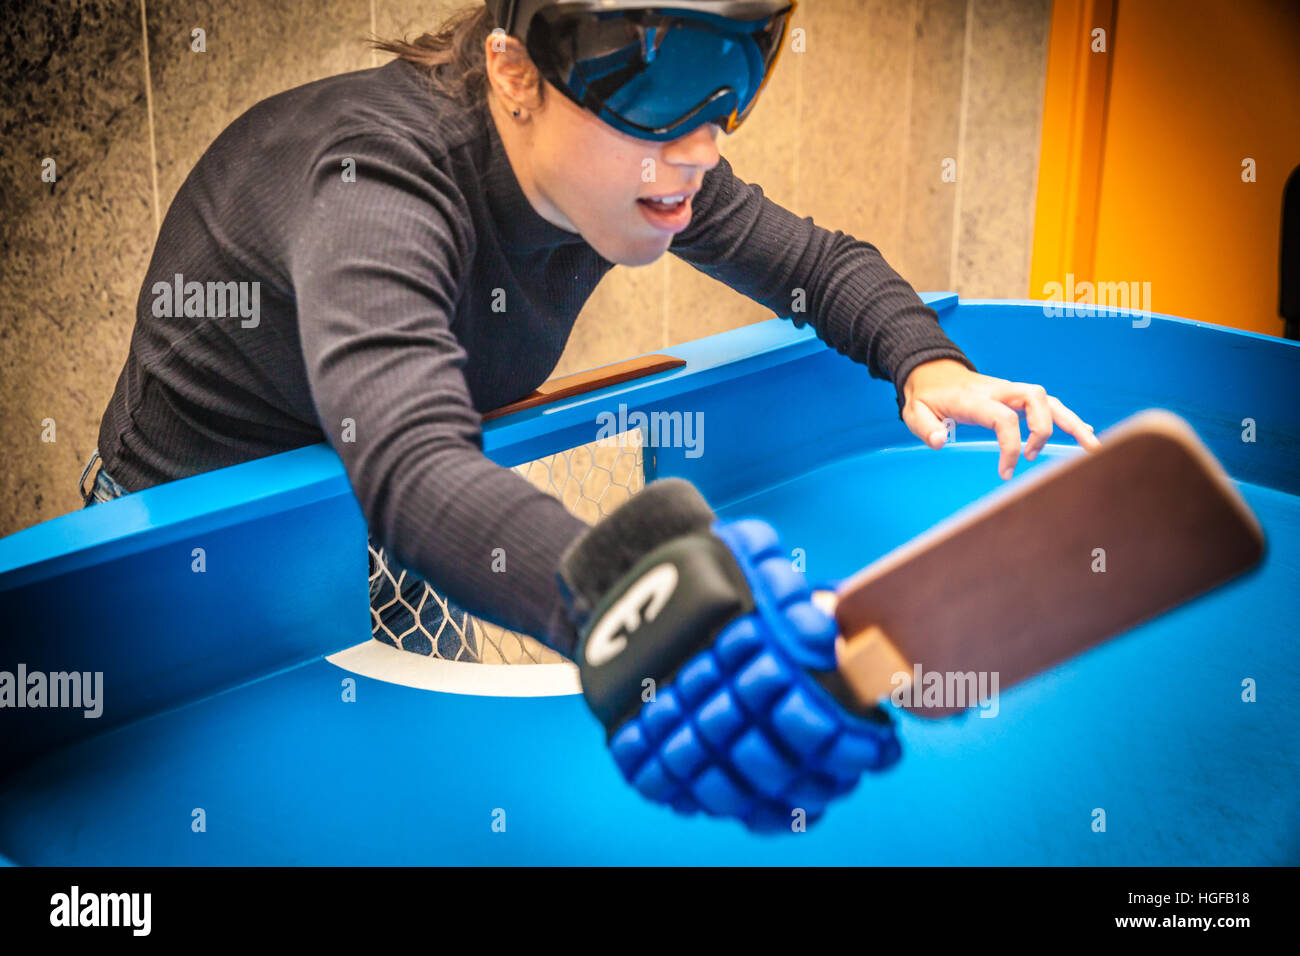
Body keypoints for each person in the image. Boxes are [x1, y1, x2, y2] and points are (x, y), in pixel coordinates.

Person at [80, 0, 1100, 830]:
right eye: (655, 80)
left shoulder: (648, 167)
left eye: (736, 72)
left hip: (383, 533)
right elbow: (410, 464)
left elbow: (816, 263)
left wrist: (923, 362)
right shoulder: (374, 180)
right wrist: (650, 605)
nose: (701, 141)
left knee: (405, 802)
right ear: (514, 73)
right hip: (193, 556)